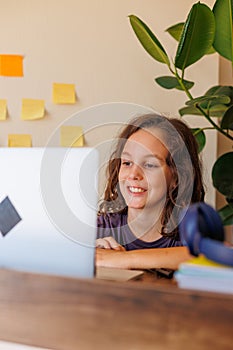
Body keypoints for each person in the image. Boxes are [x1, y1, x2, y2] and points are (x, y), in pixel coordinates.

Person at [96, 113, 205, 270]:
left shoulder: (190, 231)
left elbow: (210, 256)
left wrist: (121, 259)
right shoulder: (103, 227)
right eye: (127, 163)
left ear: (177, 177)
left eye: (149, 165)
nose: (133, 174)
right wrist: (86, 252)